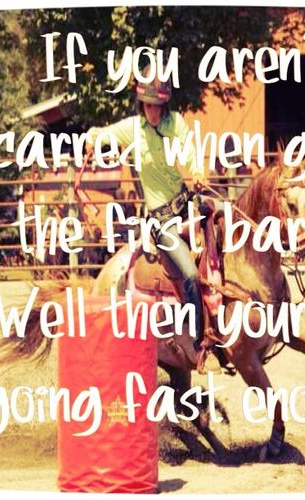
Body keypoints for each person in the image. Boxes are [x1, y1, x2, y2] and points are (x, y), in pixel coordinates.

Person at [85, 68, 220, 373]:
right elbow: (102, 133)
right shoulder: (133, 129)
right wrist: (91, 138)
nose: (153, 112)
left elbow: (190, 151)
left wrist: (198, 171)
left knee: (223, 220)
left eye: (158, 106)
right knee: (189, 271)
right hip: (161, 221)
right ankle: (199, 344)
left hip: (185, 205)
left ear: (165, 105)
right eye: (148, 105)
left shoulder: (176, 124)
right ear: (141, 104)